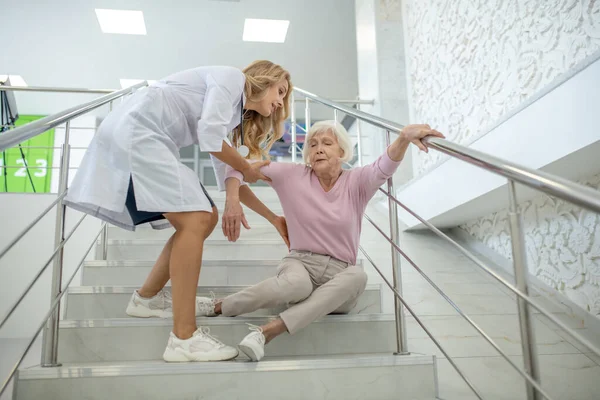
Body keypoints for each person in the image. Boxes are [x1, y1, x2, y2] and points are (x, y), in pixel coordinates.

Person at [64, 60, 293, 362]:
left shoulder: (229, 114)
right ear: (265, 79)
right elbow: (215, 142)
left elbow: (228, 173)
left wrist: (273, 218)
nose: (280, 103)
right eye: (281, 91)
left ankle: (147, 298)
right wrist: (245, 167)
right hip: (139, 130)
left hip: (146, 135)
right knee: (198, 217)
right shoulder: (232, 79)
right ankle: (184, 338)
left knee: (204, 217)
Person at [195, 120, 444, 361]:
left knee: (358, 276)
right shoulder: (291, 175)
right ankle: (219, 306)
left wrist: (402, 138)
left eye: (327, 143)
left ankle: (267, 331)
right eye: (312, 145)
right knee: (298, 285)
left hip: (340, 275)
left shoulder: (357, 182)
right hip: (300, 263)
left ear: (343, 151)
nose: (318, 149)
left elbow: (385, 165)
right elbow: (237, 167)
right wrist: (233, 200)